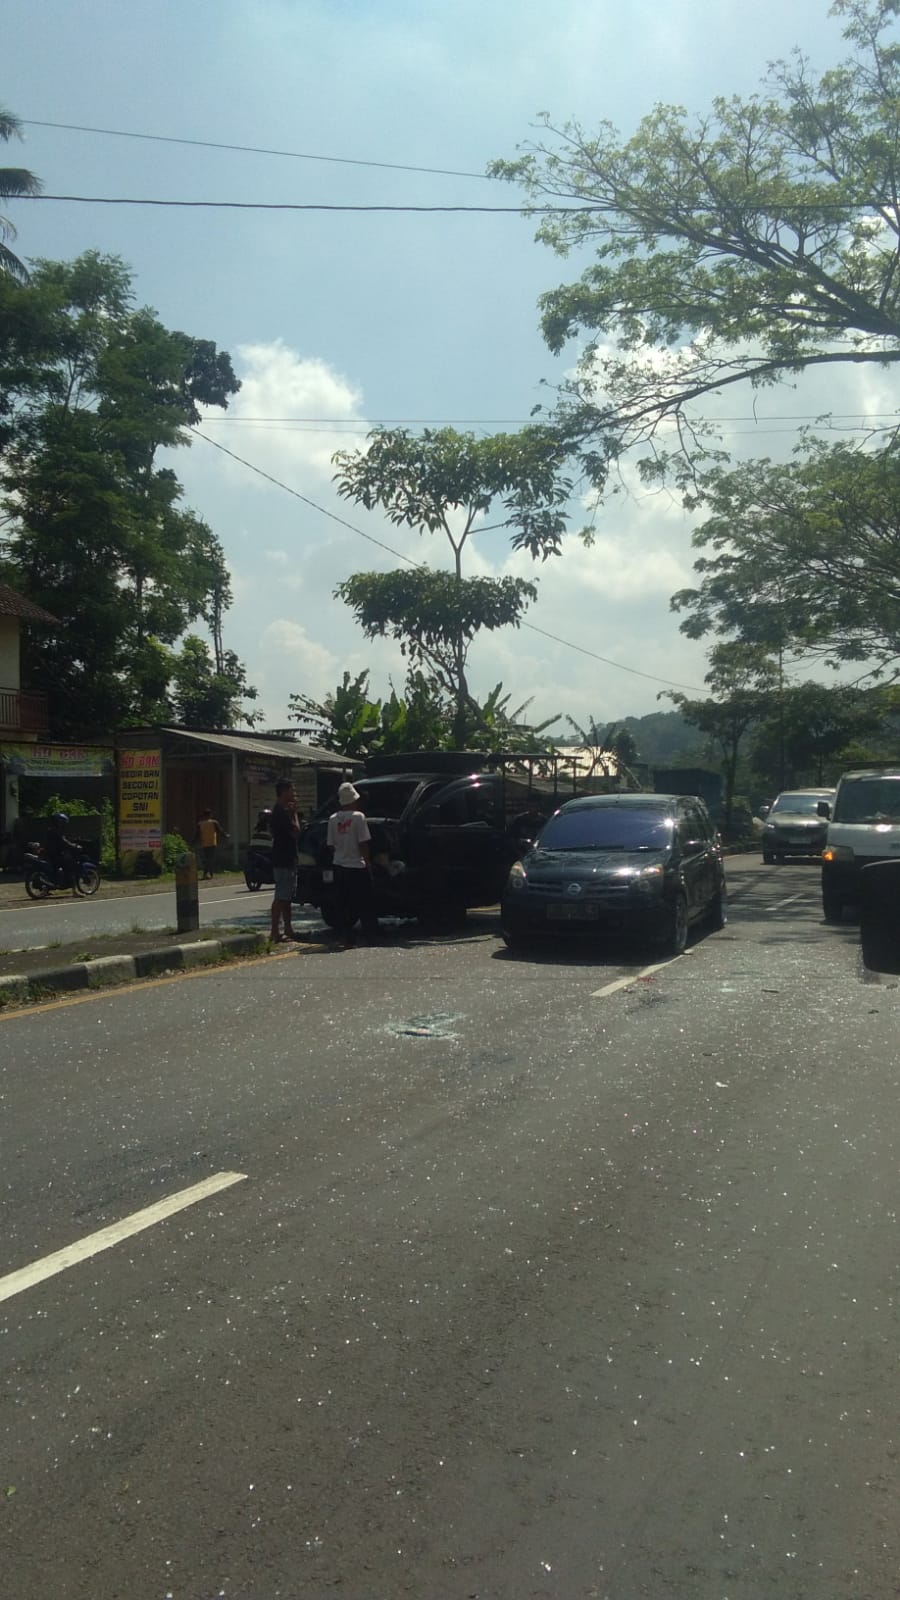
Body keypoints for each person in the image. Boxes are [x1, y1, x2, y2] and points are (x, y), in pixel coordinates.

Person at [326, 781, 377, 945]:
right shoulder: (359, 817)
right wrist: (368, 863)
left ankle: (346, 935)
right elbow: (363, 843)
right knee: (364, 902)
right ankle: (370, 934)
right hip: (357, 866)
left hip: (339, 866)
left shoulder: (333, 819)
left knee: (343, 903)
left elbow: (331, 845)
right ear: (354, 800)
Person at [269, 778, 301, 943]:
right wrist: (294, 814)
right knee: (281, 896)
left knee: (285, 896)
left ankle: (287, 928)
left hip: (285, 857)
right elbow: (295, 832)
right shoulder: (280, 812)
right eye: (292, 790)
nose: (294, 794)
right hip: (283, 859)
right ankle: (275, 930)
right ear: (284, 792)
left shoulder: (281, 811)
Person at [44, 812, 79, 891]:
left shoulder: (50, 830)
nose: (63, 825)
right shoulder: (57, 831)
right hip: (55, 854)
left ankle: (49, 888)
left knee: (56, 870)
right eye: (62, 823)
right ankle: (75, 892)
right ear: (59, 822)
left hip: (49, 853)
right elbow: (63, 842)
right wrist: (74, 846)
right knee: (69, 868)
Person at [194, 808, 229, 879]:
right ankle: (208, 873)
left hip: (204, 843)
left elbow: (197, 834)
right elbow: (220, 830)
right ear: (210, 815)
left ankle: (208, 873)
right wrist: (226, 835)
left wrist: (193, 841)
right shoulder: (214, 822)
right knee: (210, 859)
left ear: (203, 815)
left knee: (207, 858)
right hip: (212, 843)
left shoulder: (200, 824)